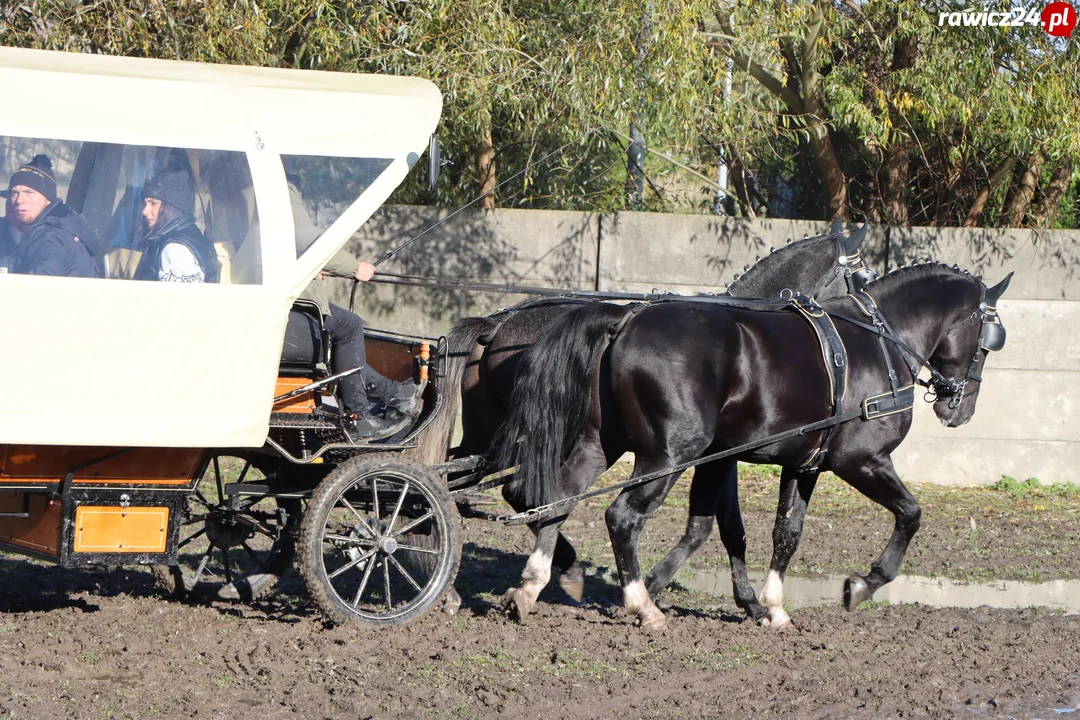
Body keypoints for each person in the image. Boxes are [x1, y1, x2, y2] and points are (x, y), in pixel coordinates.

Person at [290, 183, 422, 441]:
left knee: (345, 323)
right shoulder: (277, 186)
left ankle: (391, 393)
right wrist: (353, 268)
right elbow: (308, 242)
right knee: (349, 326)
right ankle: (359, 415)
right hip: (287, 310)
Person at [3, 154, 103, 278]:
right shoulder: (61, 227)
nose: (19, 200)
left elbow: (38, 292)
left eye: (29, 193)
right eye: (14, 193)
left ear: (48, 199)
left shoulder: (50, 238)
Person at [133, 157, 220, 283]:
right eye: (145, 203)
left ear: (171, 207)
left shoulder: (174, 249)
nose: (145, 211)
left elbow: (179, 300)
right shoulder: (188, 232)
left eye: (153, 203)